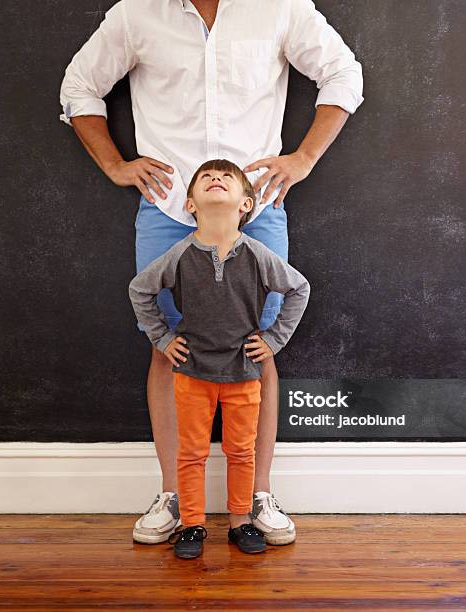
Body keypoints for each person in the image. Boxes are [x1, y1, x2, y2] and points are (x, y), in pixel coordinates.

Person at [59, 0, 364, 545]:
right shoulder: (135, 13)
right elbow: (80, 86)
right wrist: (115, 164)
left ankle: (259, 496)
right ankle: (174, 495)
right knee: (166, 346)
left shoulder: (282, 8)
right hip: (169, 207)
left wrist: (304, 158)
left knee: (261, 344)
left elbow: (344, 73)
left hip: (258, 208)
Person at [128, 159, 310, 558]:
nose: (215, 179)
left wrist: (275, 340)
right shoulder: (179, 254)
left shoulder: (258, 254)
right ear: (189, 204)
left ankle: (241, 520)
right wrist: (161, 337)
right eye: (206, 178)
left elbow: (299, 289)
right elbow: (140, 290)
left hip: (244, 375)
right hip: (192, 374)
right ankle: (191, 524)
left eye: (226, 178)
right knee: (191, 452)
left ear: (246, 204)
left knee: (241, 450)